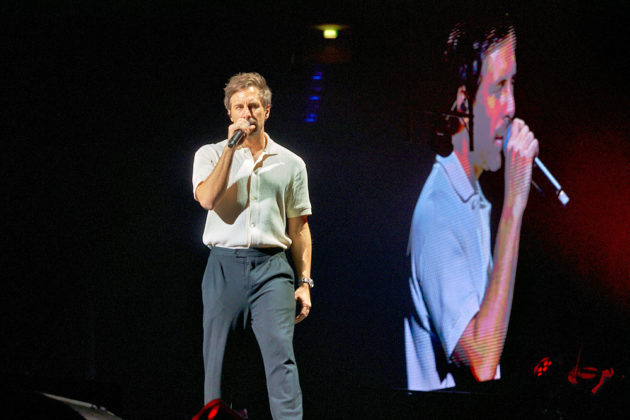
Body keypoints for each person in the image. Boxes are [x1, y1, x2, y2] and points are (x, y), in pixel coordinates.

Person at [404, 19, 539, 391]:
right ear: (464, 102)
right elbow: (481, 358)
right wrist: (514, 205)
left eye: (513, 83)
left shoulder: (471, 196)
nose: (512, 106)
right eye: (499, 87)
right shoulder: (437, 214)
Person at [192, 72, 313, 419]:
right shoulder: (210, 154)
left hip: (272, 268)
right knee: (218, 364)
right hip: (223, 266)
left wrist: (304, 281)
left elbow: (299, 228)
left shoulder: (291, 163)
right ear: (230, 114)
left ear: (267, 111)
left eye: (254, 106)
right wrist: (231, 150)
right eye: (239, 107)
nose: (247, 112)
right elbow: (208, 198)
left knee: (281, 360)